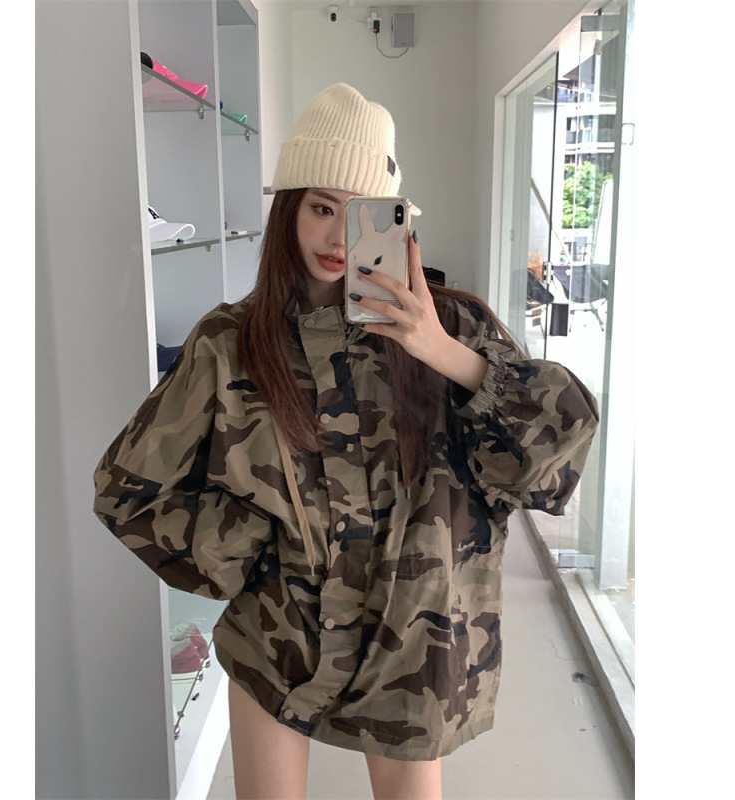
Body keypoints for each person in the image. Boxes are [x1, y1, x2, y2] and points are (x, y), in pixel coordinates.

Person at [93, 83, 598, 800]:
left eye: (362, 215)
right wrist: (248, 544)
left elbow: (552, 459)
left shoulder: (455, 328)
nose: (337, 238)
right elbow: (127, 490)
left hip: (414, 653)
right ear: (289, 210)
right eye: (321, 207)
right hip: (279, 643)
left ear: (397, 222)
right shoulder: (230, 344)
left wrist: (440, 351)